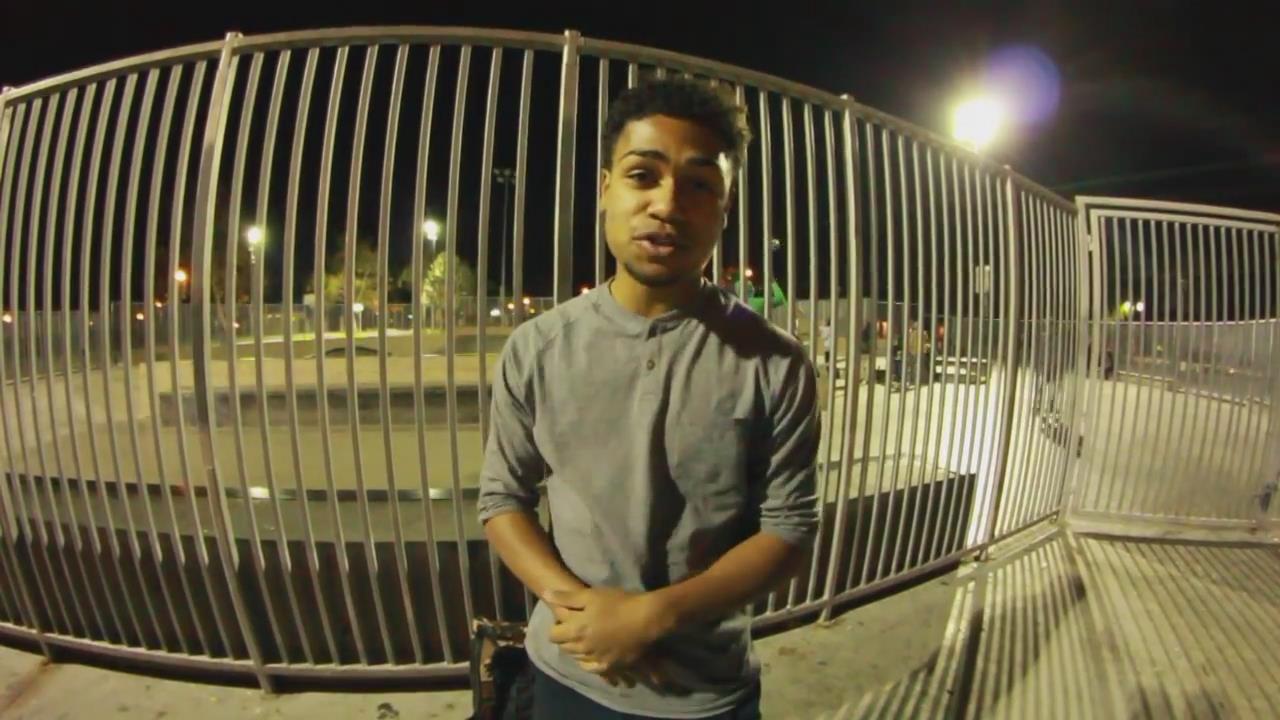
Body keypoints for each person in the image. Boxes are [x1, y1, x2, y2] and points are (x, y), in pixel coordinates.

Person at [477, 78, 820, 719]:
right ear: (605, 189)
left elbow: (790, 530)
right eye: (643, 175)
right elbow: (502, 499)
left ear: (724, 209)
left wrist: (651, 618)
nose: (667, 204)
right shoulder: (537, 348)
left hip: (710, 695)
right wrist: (585, 615)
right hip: (567, 674)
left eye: (699, 185)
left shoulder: (776, 362)